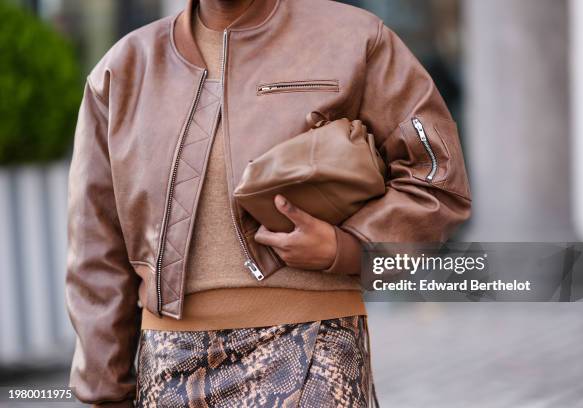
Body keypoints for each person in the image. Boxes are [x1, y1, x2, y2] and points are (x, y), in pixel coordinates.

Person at [65, 0, 471, 406]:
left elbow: (437, 181)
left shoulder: (355, 38)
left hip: (313, 348)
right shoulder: (124, 69)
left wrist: (347, 249)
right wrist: (105, 391)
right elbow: (95, 247)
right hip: (168, 365)